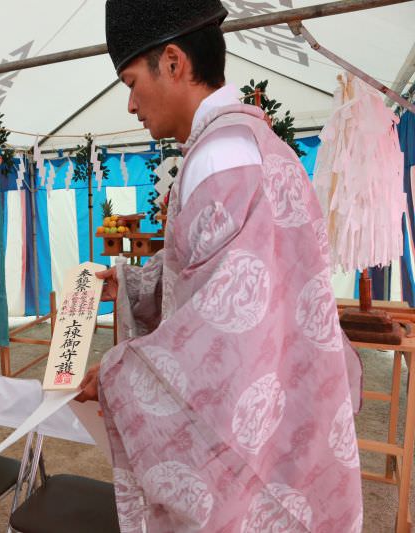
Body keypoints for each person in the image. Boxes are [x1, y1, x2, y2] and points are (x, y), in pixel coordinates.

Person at [77, 1, 364, 531]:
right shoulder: (258, 144)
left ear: (172, 62)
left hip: (253, 444)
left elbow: (221, 337)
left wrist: (119, 372)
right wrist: (131, 282)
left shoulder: (217, 156)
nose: (131, 105)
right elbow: (229, 276)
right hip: (291, 412)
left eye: (130, 81)